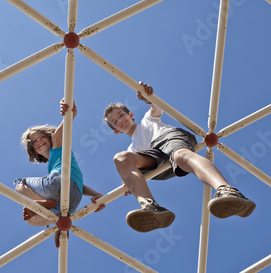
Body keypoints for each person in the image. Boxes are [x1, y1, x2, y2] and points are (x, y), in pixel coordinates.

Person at [103, 82, 255, 233]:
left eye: (121, 115)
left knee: (180, 155)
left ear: (131, 115)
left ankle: (227, 190)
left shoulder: (147, 120)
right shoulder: (132, 150)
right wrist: (129, 179)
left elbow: (156, 107)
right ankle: (150, 207)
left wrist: (148, 98)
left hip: (167, 139)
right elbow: (131, 169)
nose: (119, 120)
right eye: (115, 122)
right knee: (121, 158)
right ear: (116, 131)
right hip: (155, 160)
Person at [15, 99, 104, 245]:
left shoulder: (58, 148)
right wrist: (95, 194)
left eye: (41, 136)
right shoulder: (55, 163)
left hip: (59, 183)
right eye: (34, 141)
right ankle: (58, 219)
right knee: (32, 221)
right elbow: (77, 185)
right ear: (33, 150)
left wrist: (70, 115)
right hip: (73, 198)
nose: (38, 141)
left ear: (49, 137)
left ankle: (48, 204)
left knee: (20, 185)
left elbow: (58, 135)